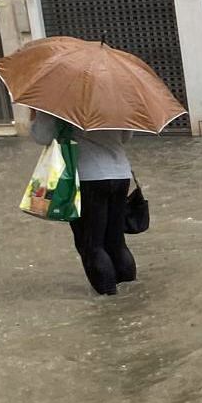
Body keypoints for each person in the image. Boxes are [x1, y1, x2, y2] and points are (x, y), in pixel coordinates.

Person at [30, 111, 136, 295]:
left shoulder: (59, 101)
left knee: (91, 245)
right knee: (116, 241)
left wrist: (35, 116)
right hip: (120, 174)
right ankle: (131, 295)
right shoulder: (115, 98)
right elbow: (126, 137)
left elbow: (42, 136)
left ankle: (108, 302)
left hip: (87, 177)